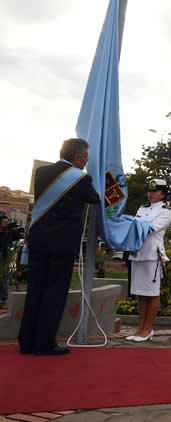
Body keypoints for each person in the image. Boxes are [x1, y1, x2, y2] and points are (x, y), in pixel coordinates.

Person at [18, 138, 100, 355]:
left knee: (35, 290)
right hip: (62, 245)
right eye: (85, 158)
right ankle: (45, 344)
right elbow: (95, 199)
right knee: (54, 293)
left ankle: (26, 342)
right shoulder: (81, 179)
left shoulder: (42, 172)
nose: (86, 162)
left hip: (39, 240)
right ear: (76, 157)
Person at [126, 179, 171, 342]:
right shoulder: (142, 208)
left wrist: (131, 222)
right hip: (138, 253)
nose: (150, 194)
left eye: (154, 191)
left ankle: (148, 329)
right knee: (140, 293)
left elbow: (152, 228)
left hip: (153, 255)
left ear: (163, 194)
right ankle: (140, 329)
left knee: (152, 293)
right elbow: (136, 227)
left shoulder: (166, 210)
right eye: (149, 191)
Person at [1, 216, 23, 305]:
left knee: (4, 278)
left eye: (7, 222)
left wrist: (17, 232)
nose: (6, 224)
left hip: (4, 258)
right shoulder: (4, 233)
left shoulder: (8, 232)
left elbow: (16, 236)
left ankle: (4, 298)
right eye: (4, 222)